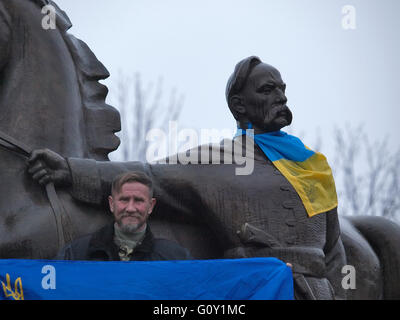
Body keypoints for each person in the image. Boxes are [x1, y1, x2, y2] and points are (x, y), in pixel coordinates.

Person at [28, 56, 346, 299]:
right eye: (267, 90)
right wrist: (70, 170)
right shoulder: (218, 160)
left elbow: (334, 251)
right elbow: (148, 176)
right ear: (239, 105)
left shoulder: (312, 166)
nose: (281, 97)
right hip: (254, 291)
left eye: (282, 89)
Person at [55, 171, 193, 261]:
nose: (131, 208)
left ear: (151, 206)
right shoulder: (75, 255)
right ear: (111, 204)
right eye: (124, 200)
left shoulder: (176, 258)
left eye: (138, 200)